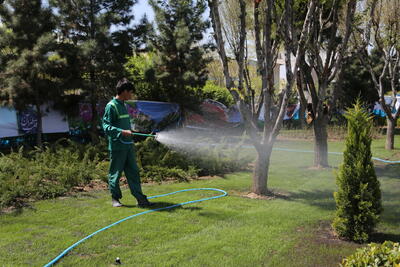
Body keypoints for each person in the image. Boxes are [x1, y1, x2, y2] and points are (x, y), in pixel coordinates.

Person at [102, 78, 154, 208]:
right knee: (115, 173)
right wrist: (121, 131)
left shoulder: (123, 105)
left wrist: (130, 131)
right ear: (124, 91)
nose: (131, 95)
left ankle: (140, 198)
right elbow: (106, 126)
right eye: (130, 92)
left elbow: (123, 124)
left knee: (133, 172)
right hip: (117, 146)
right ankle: (115, 199)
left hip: (128, 146)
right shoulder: (111, 106)